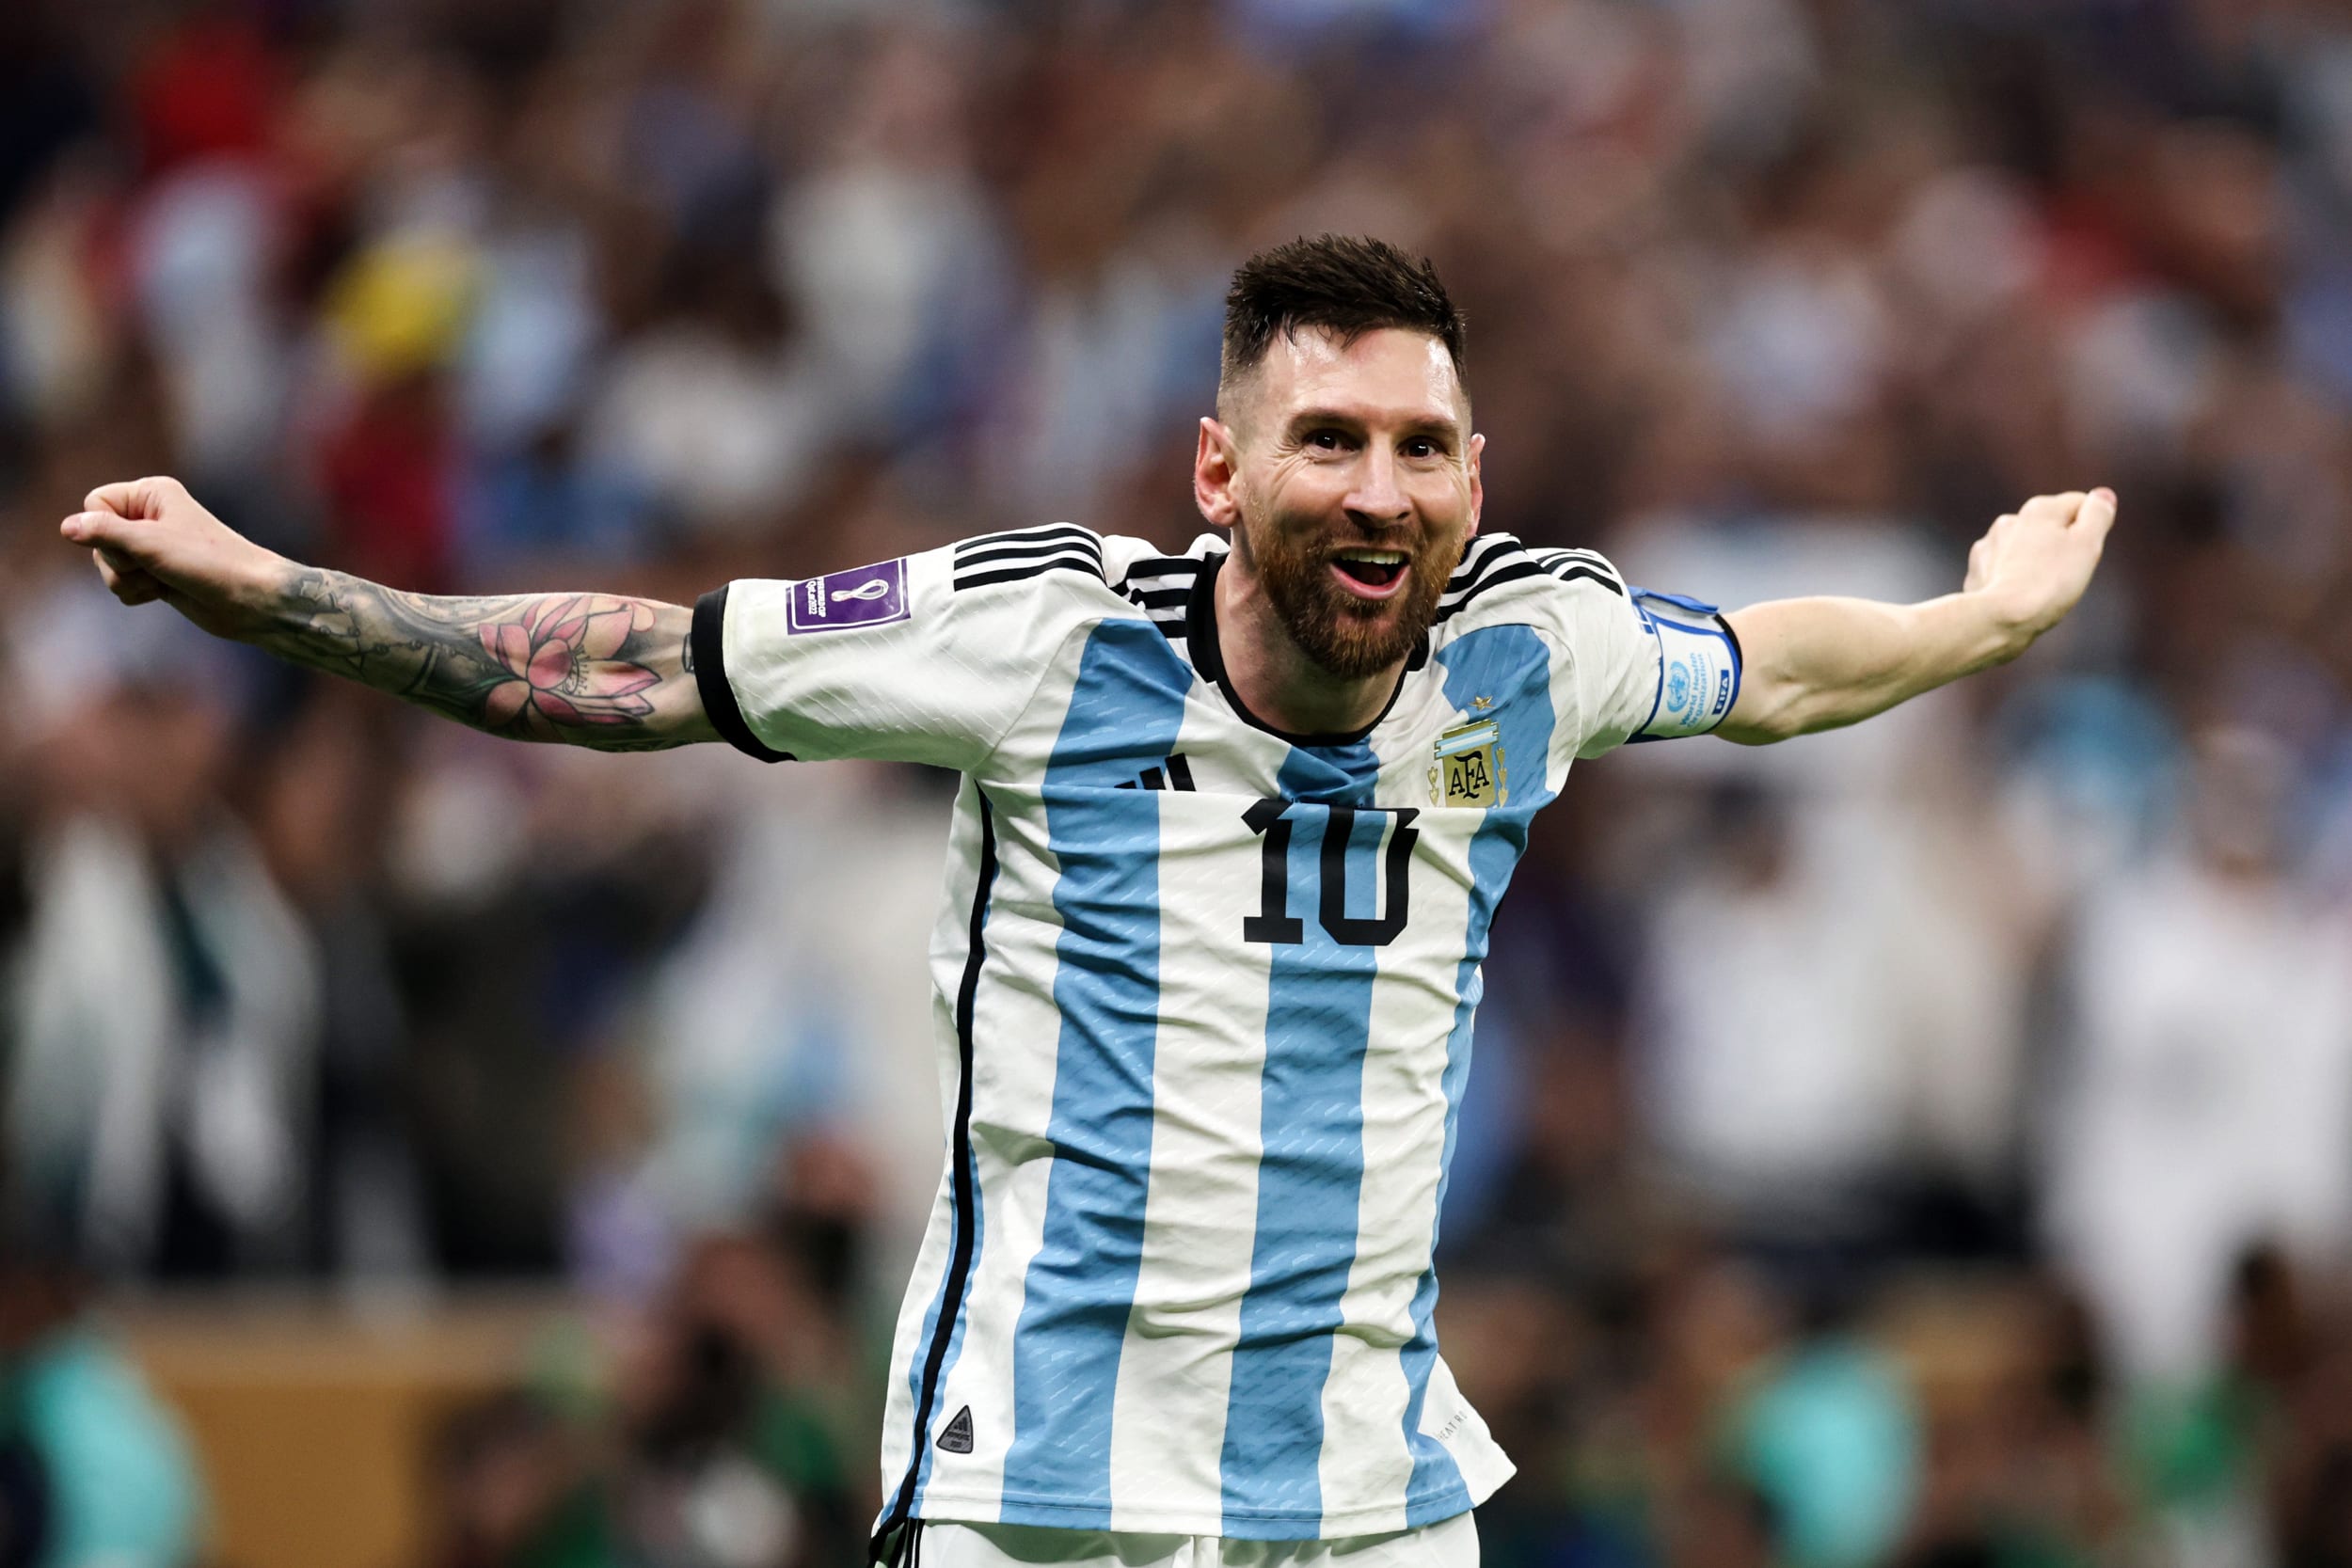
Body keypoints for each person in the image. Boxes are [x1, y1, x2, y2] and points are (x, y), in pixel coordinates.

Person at [58, 235, 2116, 1568]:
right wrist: (277, 597)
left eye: (1421, 446)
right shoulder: (1038, 638)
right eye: (1325, 440)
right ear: (1217, 472)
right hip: (1038, 1502)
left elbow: (1776, 669)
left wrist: (1977, 616)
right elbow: (638, 670)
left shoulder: (1531, 653)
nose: (1378, 491)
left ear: (1475, 477)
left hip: (1371, 1503)